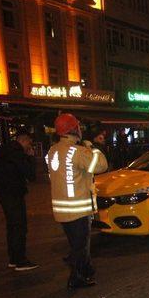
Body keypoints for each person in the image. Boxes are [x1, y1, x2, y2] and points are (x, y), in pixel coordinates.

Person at [48, 114, 108, 288]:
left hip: (61, 209)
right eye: (78, 127)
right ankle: (77, 277)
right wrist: (92, 147)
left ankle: (85, 269)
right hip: (78, 209)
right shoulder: (79, 151)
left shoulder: (53, 150)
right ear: (73, 129)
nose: (80, 130)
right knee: (80, 246)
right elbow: (101, 165)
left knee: (76, 244)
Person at [0, 131, 39, 270]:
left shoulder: (4, 150)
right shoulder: (17, 154)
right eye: (29, 143)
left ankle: (14, 258)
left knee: (12, 225)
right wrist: (31, 158)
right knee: (19, 226)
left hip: (3, 191)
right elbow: (31, 175)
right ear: (24, 141)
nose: (30, 146)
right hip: (13, 192)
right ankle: (20, 260)